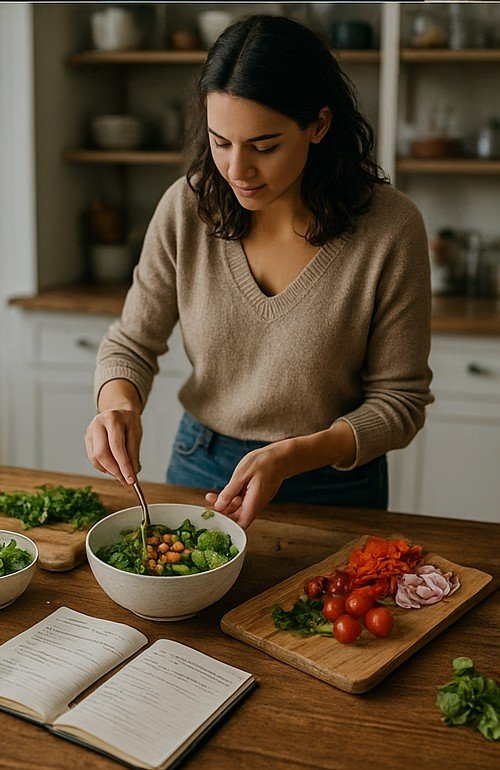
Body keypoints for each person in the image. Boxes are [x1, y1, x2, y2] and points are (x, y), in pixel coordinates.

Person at [85, 14, 433, 530]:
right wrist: (117, 406)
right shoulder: (187, 207)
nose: (236, 171)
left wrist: (292, 456)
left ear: (318, 125)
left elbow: (400, 402)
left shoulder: (390, 228)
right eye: (220, 141)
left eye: (264, 147)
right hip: (203, 465)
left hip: (335, 484)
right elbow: (131, 344)